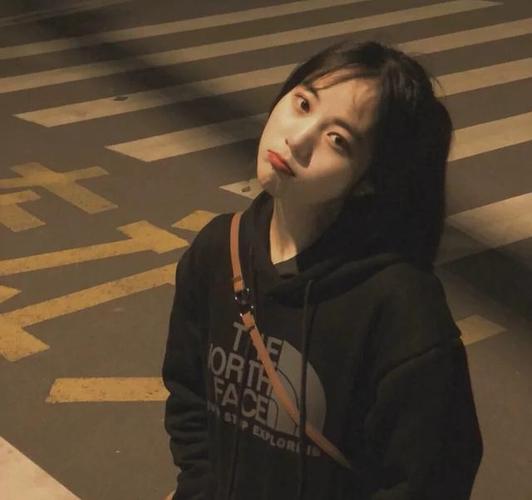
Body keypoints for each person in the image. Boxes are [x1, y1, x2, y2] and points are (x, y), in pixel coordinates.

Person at [161, 39, 483, 500]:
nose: (297, 139)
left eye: (337, 139)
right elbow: (189, 395)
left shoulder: (402, 310)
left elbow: (431, 478)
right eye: (303, 103)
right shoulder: (218, 250)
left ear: (369, 179)